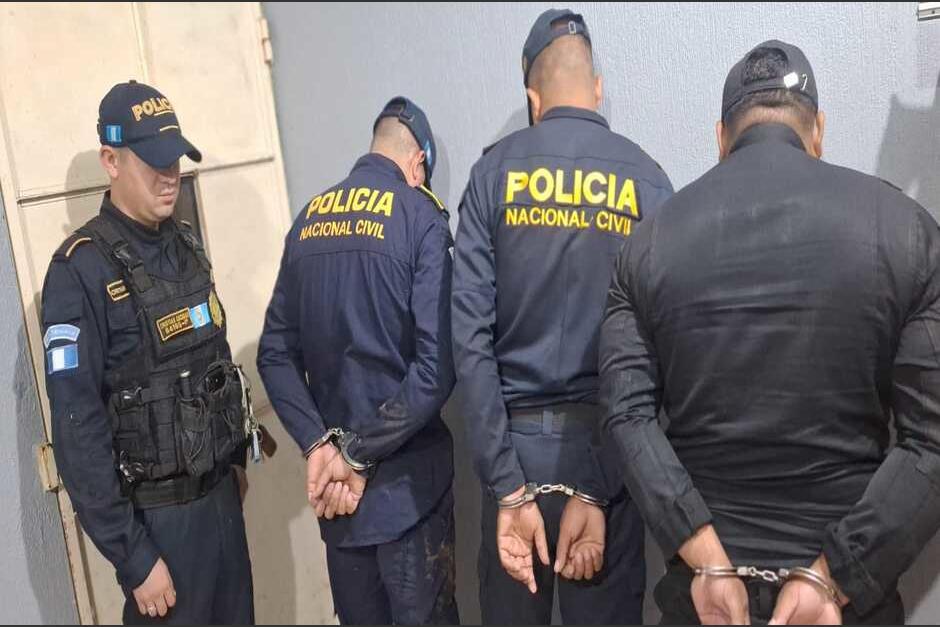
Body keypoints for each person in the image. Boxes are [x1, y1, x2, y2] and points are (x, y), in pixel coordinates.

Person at [600, 39, 940, 625]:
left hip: (704, 600)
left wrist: (705, 556)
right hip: (843, 607)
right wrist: (834, 578)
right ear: (818, 130)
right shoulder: (907, 231)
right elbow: (932, 438)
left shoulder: (648, 243)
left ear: (721, 137)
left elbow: (624, 416)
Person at [451, 8, 673, 624]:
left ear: (533, 98)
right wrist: (600, 482)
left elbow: (469, 341)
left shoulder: (492, 175)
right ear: (596, 87)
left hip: (512, 454)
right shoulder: (648, 182)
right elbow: (663, 348)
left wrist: (507, 486)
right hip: (610, 454)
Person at [41, 80, 255, 624]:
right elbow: (78, 430)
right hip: (158, 529)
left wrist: (232, 463)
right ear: (110, 161)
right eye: (153, 161)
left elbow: (214, 365)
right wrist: (133, 557)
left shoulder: (186, 246)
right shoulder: (80, 271)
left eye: (174, 160)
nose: (169, 175)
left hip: (221, 508)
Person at [257, 96, 459, 625]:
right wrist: (357, 454)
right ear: (418, 164)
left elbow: (273, 353)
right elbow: (435, 370)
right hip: (407, 498)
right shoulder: (420, 219)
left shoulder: (309, 221)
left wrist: (319, 445)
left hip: (339, 506)